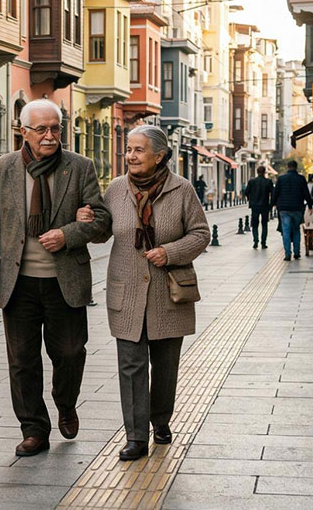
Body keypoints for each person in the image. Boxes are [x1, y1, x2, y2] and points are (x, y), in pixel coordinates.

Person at [0, 99, 111, 457]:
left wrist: (68, 234)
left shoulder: (80, 167)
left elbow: (101, 222)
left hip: (64, 280)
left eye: (55, 129)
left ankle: (66, 403)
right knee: (22, 361)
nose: (50, 136)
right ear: (24, 132)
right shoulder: (2, 169)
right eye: (42, 129)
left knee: (69, 353)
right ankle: (34, 429)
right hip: (16, 282)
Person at [75, 125, 210, 461]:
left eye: (138, 150)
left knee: (165, 367)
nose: (131, 156)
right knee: (131, 366)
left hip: (169, 293)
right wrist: (86, 220)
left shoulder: (182, 190)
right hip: (127, 293)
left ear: (159, 156)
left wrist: (170, 252)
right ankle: (135, 436)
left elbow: (201, 234)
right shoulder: (117, 189)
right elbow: (101, 233)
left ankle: (160, 420)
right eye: (129, 149)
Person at [272, 160, 313, 262]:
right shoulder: (301, 179)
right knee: (296, 230)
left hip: (284, 209)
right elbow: (306, 193)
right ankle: (297, 253)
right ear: (296, 167)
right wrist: (310, 205)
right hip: (297, 208)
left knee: (285, 230)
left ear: (287, 167)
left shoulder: (281, 179)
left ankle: (287, 254)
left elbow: (275, 193)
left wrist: (272, 204)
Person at [243, 166, 274, 250]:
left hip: (254, 206)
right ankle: (263, 243)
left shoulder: (252, 182)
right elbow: (273, 193)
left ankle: (255, 241)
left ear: (257, 172)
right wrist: (271, 204)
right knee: (264, 224)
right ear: (264, 172)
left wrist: (250, 200)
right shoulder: (268, 182)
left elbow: (246, 192)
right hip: (264, 206)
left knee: (255, 224)